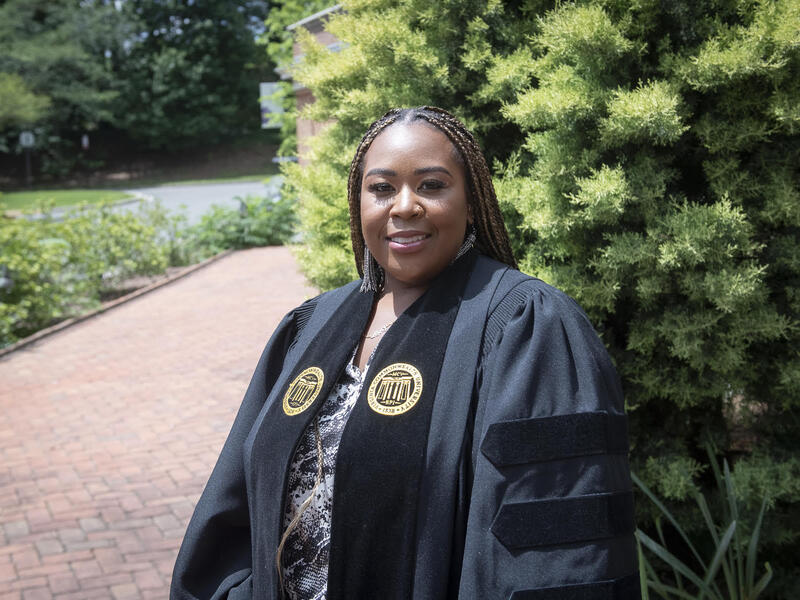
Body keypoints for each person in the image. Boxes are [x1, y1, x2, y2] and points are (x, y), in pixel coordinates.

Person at [171, 106, 640, 600]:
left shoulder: (527, 327)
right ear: (359, 204)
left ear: (472, 201)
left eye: (432, 185)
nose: (404, 206)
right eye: (382, 188)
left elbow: (553, 550)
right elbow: (237, 505)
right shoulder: (311, 326)